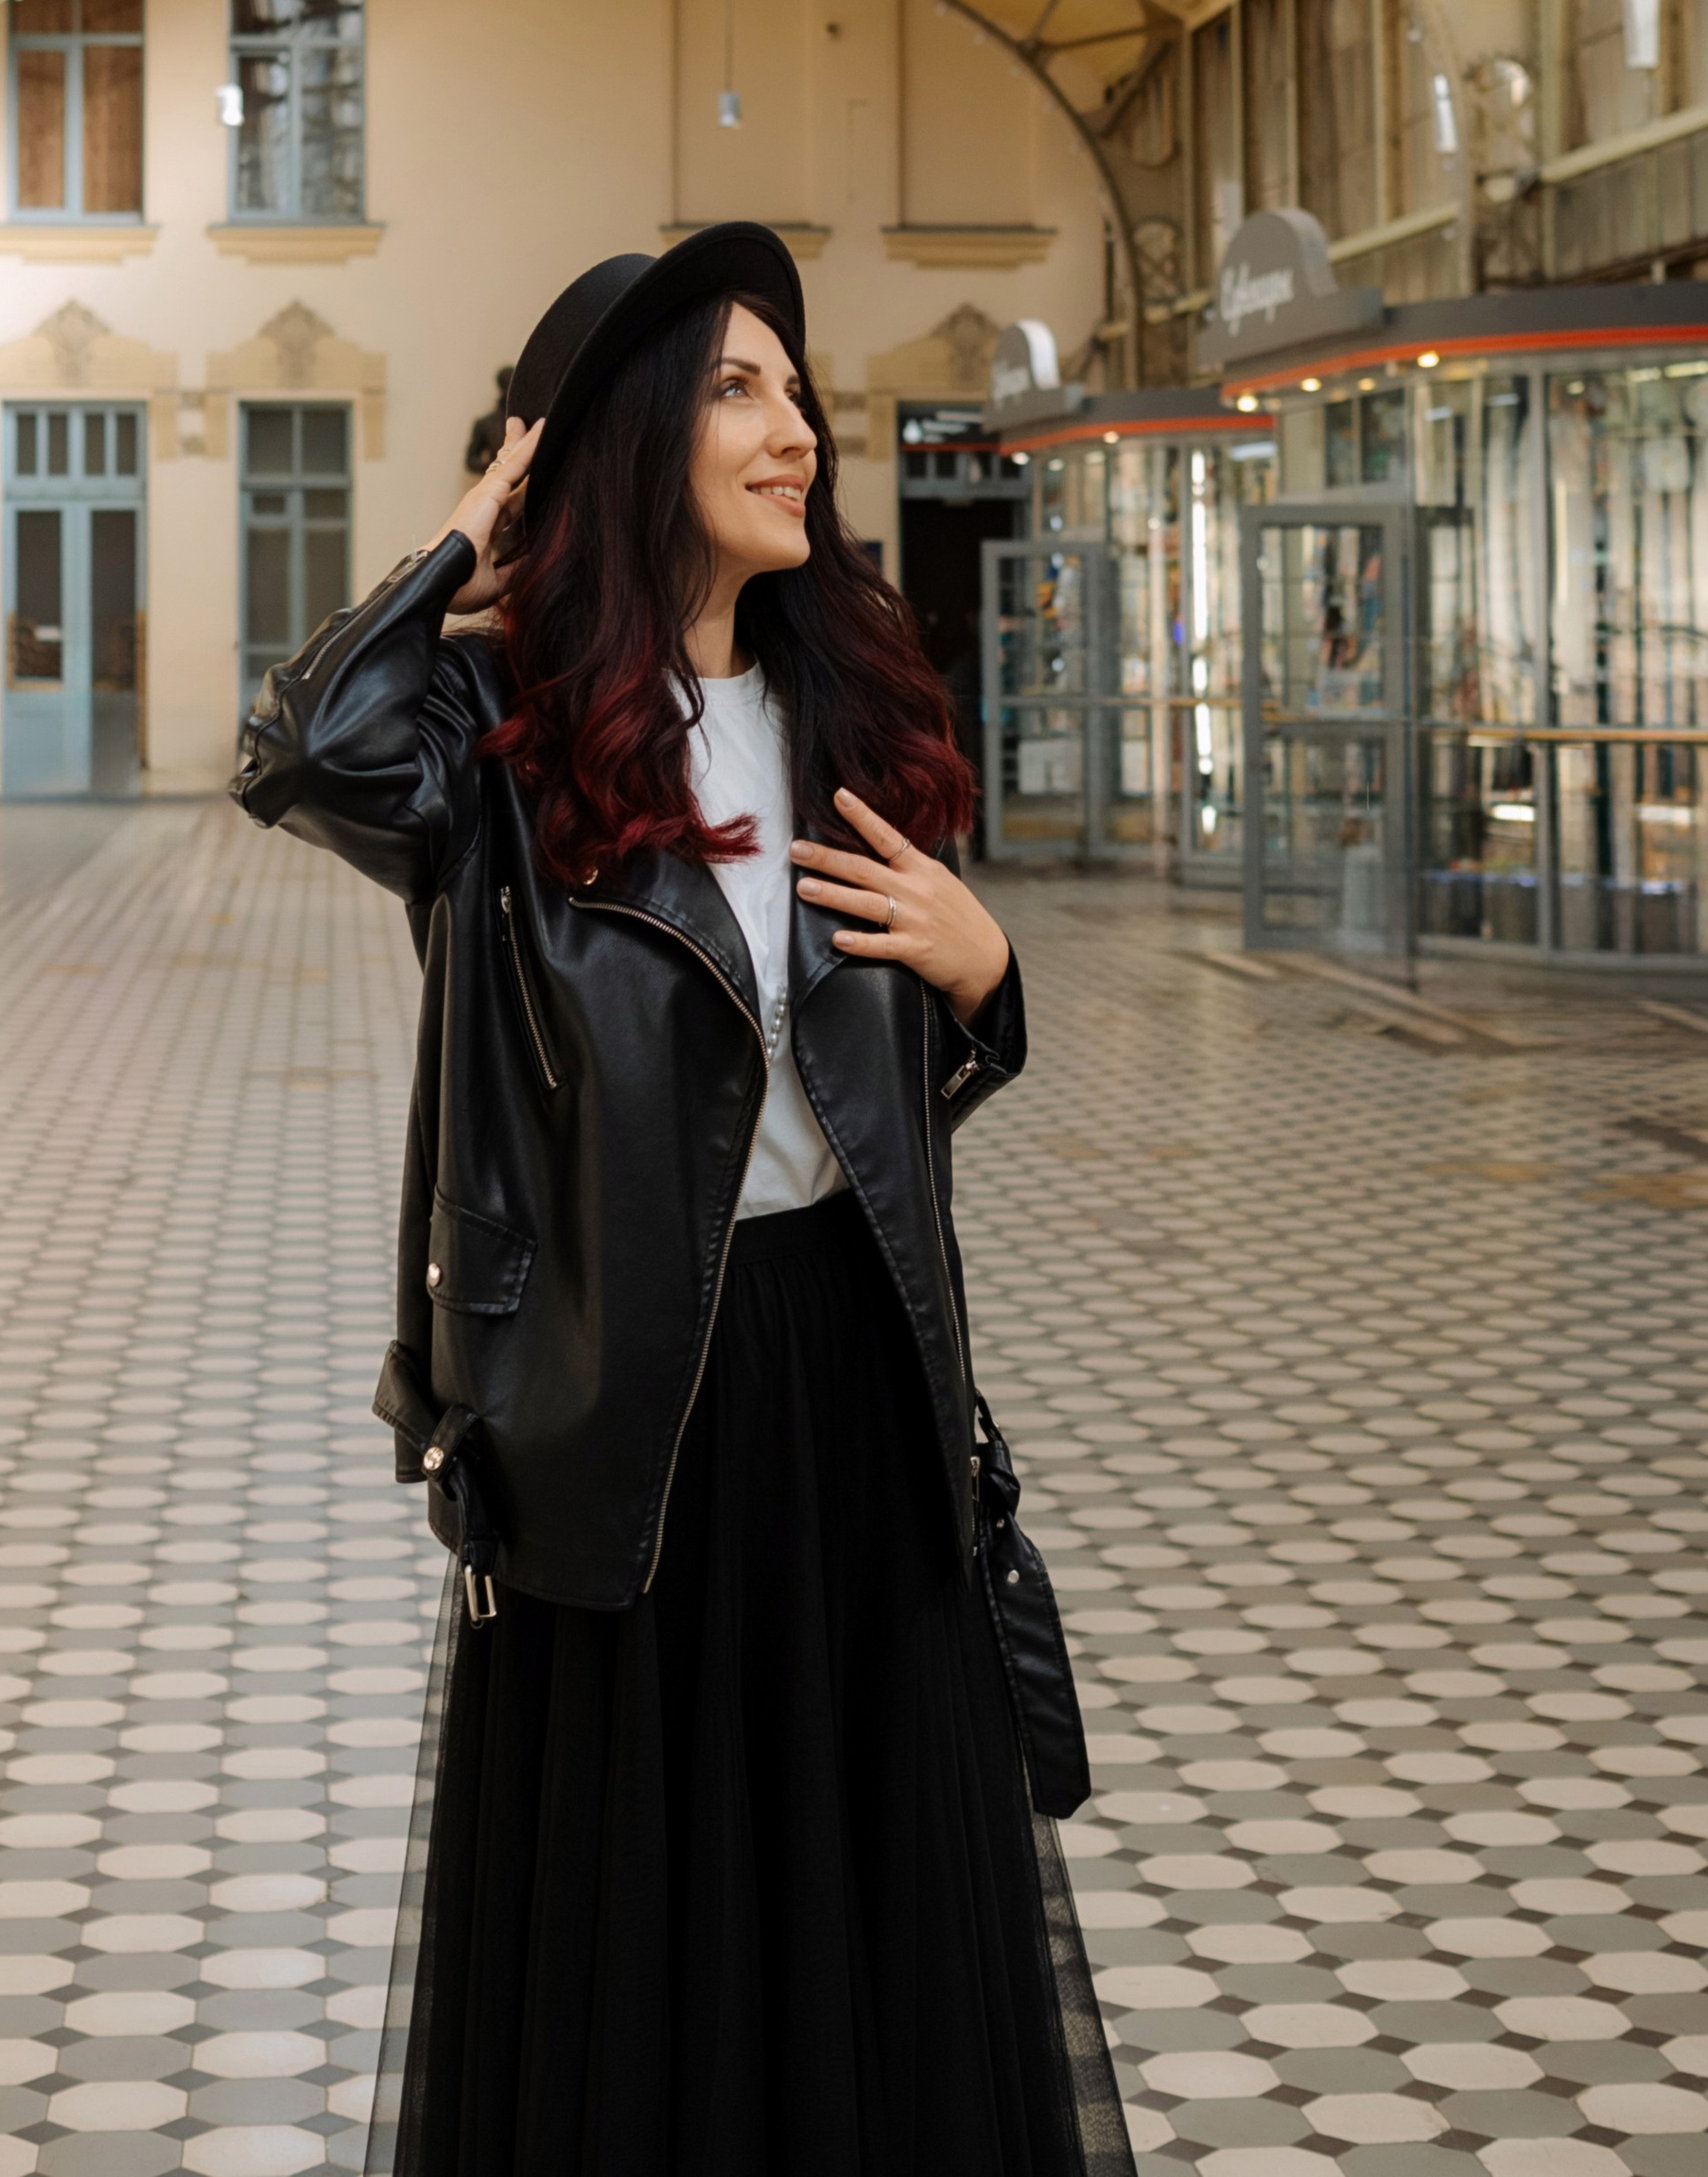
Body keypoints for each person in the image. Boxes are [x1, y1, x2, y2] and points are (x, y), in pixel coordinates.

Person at [233, 222, 1124, 2177]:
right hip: (621, 1407)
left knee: (865, 1915)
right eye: (737, 387)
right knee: (653, 1932)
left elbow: (883, 1107)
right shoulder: (499, 745)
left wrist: (986, 976)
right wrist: (472, 532)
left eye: (796, 391)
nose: (796, 428)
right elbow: (297, 750)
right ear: (622, 440)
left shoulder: (849, 709)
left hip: (852, 1385)